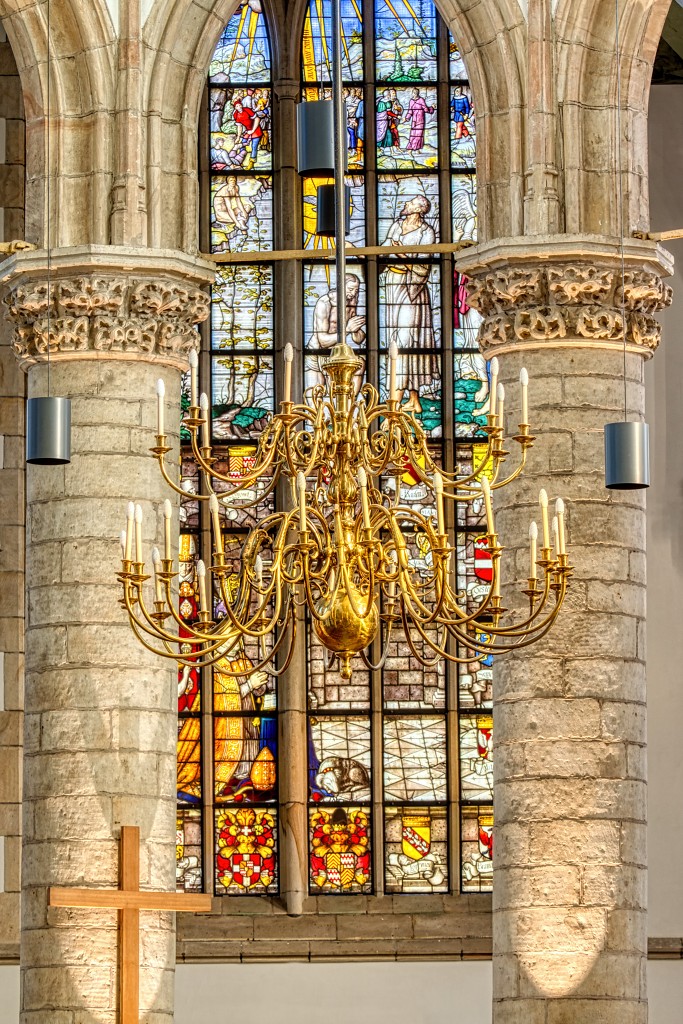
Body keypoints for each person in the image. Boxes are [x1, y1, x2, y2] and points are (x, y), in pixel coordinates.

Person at [382, 195, 438, 413]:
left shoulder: (427, 232)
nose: (405, 205)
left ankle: (392, 406)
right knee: (398, 339)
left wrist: (401, 255)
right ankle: (414, 399)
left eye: (410, 203)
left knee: (406, 340)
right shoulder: (397, 226)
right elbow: (383, 252)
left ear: (419, 210)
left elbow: (423, 267)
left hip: (413, 290)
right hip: (392, 285)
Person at [308, 273, 366, 390]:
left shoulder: (351, 303)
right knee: (315, 399)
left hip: (337, 355)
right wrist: (347, 329)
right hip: (316, 354)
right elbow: (323, 341)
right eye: (350, 289)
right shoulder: (324, 303)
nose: (353, 293)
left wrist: (355, 329)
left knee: (360, 363)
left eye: (356, 290)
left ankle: (350, 407)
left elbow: (358, 340)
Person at [213, 175, 255, 248]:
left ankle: (241, 223)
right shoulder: (225, 191)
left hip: (228, 211)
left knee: (247, 207)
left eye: (234, 180)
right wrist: (236, 222)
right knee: (237, 219)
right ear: (227, 182)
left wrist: (244, 212)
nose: (233, 182)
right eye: (231, 180)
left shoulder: (236, 188)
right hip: (221, 213)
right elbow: (229, 208)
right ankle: (243, 230)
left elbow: (238, 202)